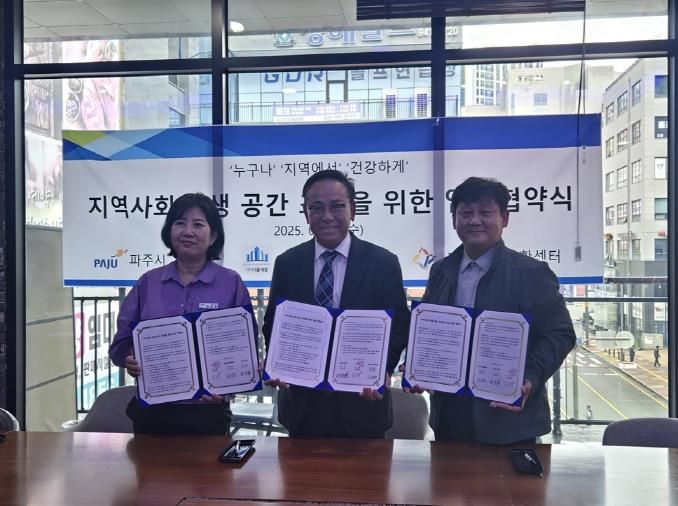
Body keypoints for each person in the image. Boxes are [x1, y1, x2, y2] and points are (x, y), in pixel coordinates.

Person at [410, 177, 575, 444]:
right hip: (450, 418)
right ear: (454, 221)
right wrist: (419, 365)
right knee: (447, 473)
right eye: (466, 213)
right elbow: (429, 332)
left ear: (504, 218)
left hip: (509, 421)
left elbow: (561, 334)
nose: (475, 221)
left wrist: (530, 378)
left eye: (485, 212)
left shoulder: (532, 273)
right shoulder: (441, 270)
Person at [262, 170, 410, 438]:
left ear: (353, 209)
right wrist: (279, 364)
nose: (327, 216)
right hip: (302, 408)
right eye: (316, 207)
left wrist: (381, 370)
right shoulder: (287, 263)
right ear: (305, 213)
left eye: (337, 206)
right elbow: (273, 322)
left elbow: (399, 325)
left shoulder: (383, 263)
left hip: (364, 406)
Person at [109, 193, 252, 435]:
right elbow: (120, 346)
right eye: (180, 223)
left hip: (207, 413)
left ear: (213, 236)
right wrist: (129, 359)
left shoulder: (231, 283)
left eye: (198, 224)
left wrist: (228, 389)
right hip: (153, 413)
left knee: (209, 463)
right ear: (169, 231)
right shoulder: (148, 283)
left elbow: (243, 349)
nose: (188, 231)